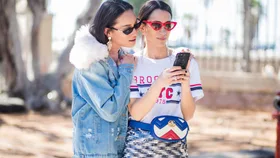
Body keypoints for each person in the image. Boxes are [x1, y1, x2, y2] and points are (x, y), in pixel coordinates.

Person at [123, 0, 204, 157]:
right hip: (139, 147)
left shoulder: (187, 62)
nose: (163, 31)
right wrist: (160, 82)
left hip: (174, 146)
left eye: (168, 25)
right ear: (143, 27)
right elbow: (136, 113)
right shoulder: (132, 63)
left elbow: (188, 115)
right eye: (157, 25)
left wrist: (185, 83)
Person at [69, 0, 141, 157]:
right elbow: (111, 110)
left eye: (136, 25)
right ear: (108, 32)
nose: (135, 32)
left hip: (120, 148)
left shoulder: (127, 57)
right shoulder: (90, 62)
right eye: (127, 29)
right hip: (95, 152)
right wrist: (126, 70)